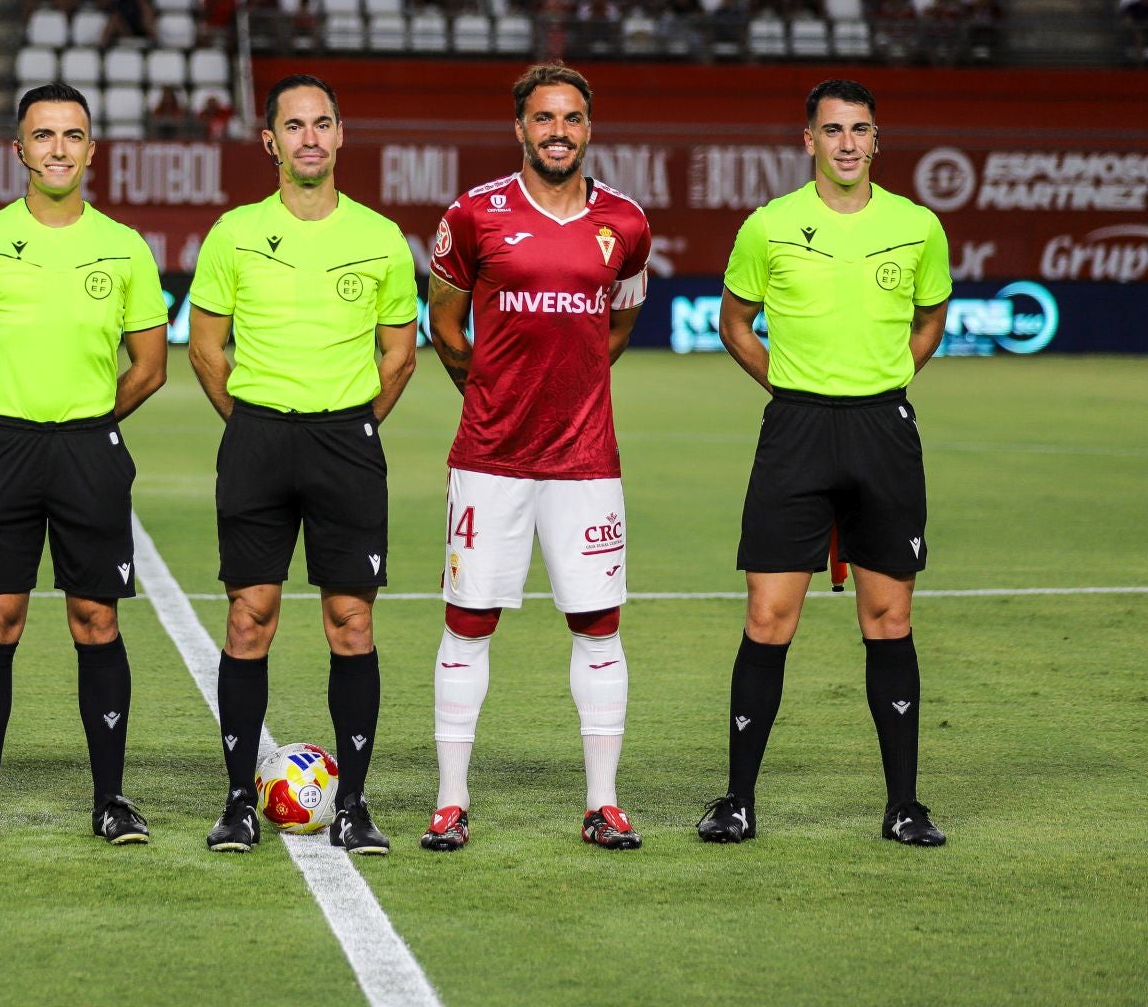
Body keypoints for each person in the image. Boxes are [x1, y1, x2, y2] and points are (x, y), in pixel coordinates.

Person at [697, 78, 952, 848]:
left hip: (883, 430)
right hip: (797, 430)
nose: (847, 143)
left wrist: (894, 376)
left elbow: (932, 313)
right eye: (833, 130)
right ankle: (738, 800)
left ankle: (903, 806)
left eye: (860, 130)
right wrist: (786, 383)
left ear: (878, 140)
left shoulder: (917, 227)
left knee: (890, 619)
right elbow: (734, 321)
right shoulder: (770, 227)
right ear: (807, 140)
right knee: (768, 619)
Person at [419, 62, 653, 853]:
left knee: (597, 626)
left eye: (573, 118)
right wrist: (490, 394)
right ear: (519, 128)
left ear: (590, 128)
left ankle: (603, 804)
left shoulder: (625, 224)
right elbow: (443, 325)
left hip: (587, 462)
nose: (559, 131)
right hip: (489, 458)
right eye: (544, 118)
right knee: (469, 623)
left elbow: (616, 326)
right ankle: (451, 803)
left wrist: (570, 391)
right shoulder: (474, 215)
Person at [0, 83, 168, 845]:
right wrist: (12, 419)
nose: (58, 149)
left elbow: (150, 366)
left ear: (92, 149)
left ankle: (111, 799)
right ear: (19, 150)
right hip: (2, 445)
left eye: (72, 136)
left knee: (95, 618)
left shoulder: (124, 245)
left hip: (89, 449)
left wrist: (87, 424)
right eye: (43, 135)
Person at [188, 73, 417, 856]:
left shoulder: (381, 237)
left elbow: (399, 353)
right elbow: (207, 347)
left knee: (351, 624)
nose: (310, 138)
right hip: (257, 441)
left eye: (322, 124)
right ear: (270, 142)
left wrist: (348, 427)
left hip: (344, 446)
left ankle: (351, 804)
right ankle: (235, 803)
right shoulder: (233, 234)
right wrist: (255, 423)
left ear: (341, 135)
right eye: (294, 126)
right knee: (249, 619)